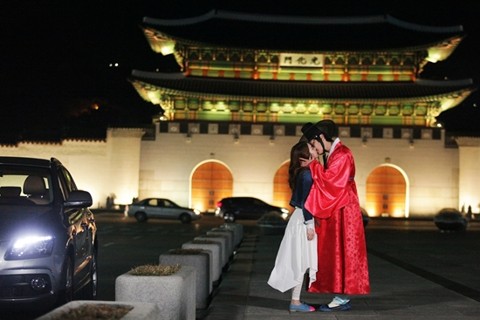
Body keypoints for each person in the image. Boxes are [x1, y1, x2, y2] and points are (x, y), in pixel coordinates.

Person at [301, 119, 370, 312]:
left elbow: (332, 183)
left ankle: (342, 297)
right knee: (336, 252)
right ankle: (340, 294)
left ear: (321, 137)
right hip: (339, 207)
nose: (313, 147)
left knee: (344, 251)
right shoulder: (336, 154)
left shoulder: (343, 154)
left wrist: (313, 166)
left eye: (313, 143)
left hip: (344, 209)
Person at [267, 140, 319, 313]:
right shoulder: (306, 174)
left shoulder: (305, 172)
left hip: (300, 219)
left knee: (300, 261)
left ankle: (295, 300)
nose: (315, 149)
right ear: (305, 155)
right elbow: (306, 203)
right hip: (303, 220)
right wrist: (310, 226)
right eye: (311, 148)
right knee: (301, 261)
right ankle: (295, 302)